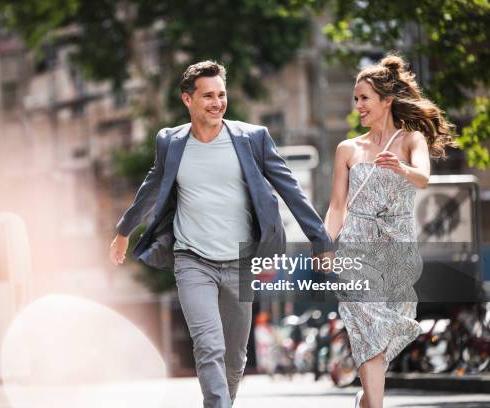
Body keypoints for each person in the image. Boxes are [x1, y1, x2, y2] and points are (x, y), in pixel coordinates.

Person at [109, 60, 333, 408]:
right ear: (188, 100)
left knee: (234, 357)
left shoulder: (252, 138)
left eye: (221, 95)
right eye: (207, 96)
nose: (216, 103)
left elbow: (290, 190)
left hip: (241, 261)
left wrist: (320, 239)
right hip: (192, 260)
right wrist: (124, 230)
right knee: (209, 345)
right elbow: (151, 188)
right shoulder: (171, 142)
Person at [324, 54, 457, 408]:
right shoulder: (347, 149)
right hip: (356, 248)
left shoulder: (411, 140)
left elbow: (424, 178)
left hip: (397, 249)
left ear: (386, 101)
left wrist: (400, 167)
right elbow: (337, 207)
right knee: (366, 325)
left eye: (364, 98)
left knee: (383, 335)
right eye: (356, 99)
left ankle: (367, 401)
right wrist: (324, 246)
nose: (358, 106)